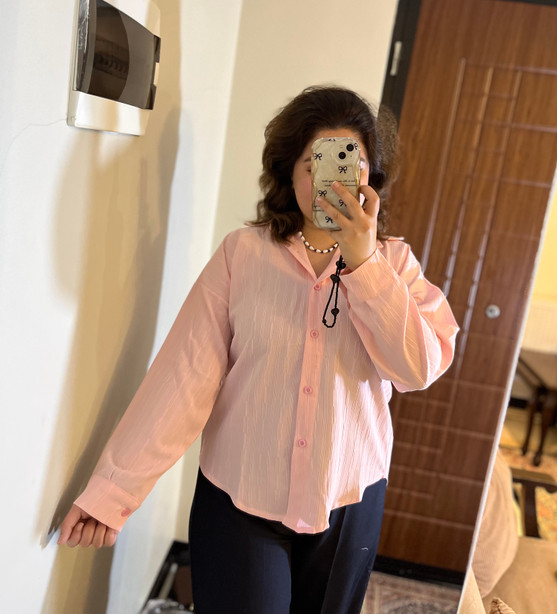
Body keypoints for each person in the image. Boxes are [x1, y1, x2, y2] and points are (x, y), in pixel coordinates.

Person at [59, 86, 459, 614]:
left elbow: (418, 368)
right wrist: (113, 492)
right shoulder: (242, 255)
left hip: (348, 500)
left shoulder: (396, 266)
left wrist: (365, 266)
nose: (333, 181)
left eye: (352, 165)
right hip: (239, 500)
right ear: (289, 172)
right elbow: (182, 379)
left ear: (371, 177)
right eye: (316, 164)